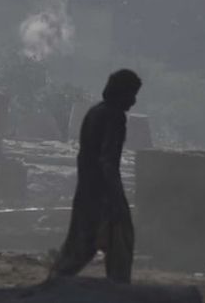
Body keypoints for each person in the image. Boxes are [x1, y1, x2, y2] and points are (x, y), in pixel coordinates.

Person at [51, 68, 142, 283]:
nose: (133, 101)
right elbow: (108, 162)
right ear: (121, 93)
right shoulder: (114, 117)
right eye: (131, 94)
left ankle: (52, 286)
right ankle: (119, 292)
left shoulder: (95, 112)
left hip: (86, 192)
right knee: (120, 243)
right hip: (103, 196)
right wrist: (117, 200)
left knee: (78, 248)